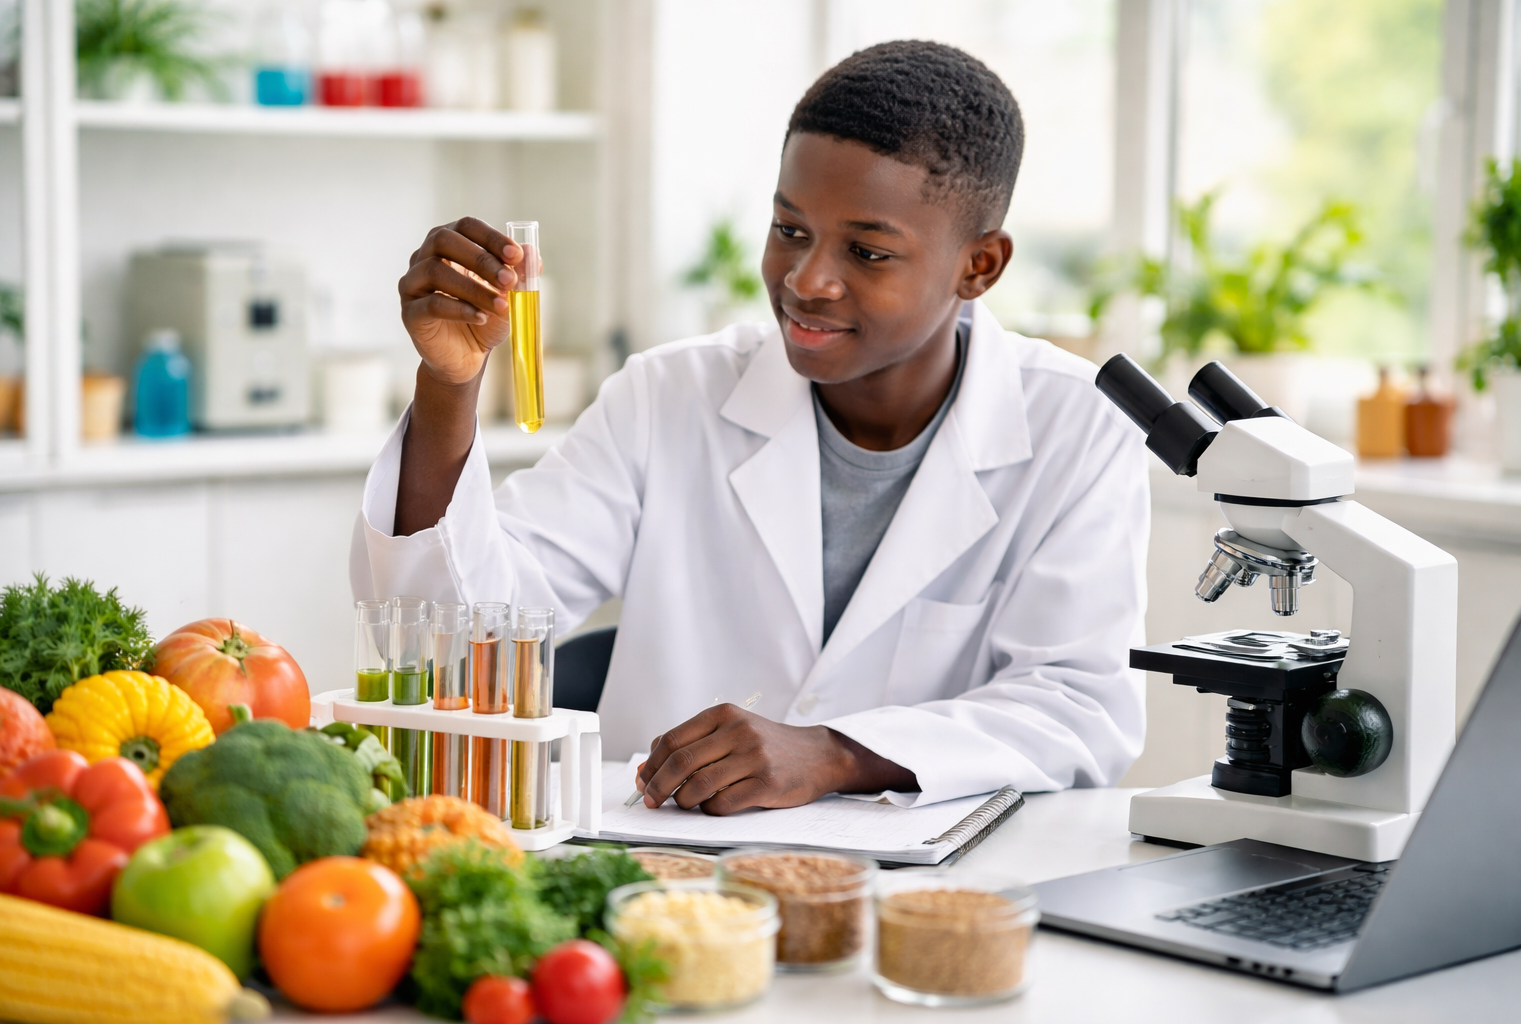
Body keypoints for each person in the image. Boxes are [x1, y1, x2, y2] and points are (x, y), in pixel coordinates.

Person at [351, 40, 1149, 815]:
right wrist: (449, 384)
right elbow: (456, 636)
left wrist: (838, 753)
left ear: (980, 266)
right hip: (662, 872)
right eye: (789, 230)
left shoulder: (1078, 427)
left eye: (867, 252)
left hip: (937, 886)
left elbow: (1078, 708)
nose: (807, 280)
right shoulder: (667, 397)